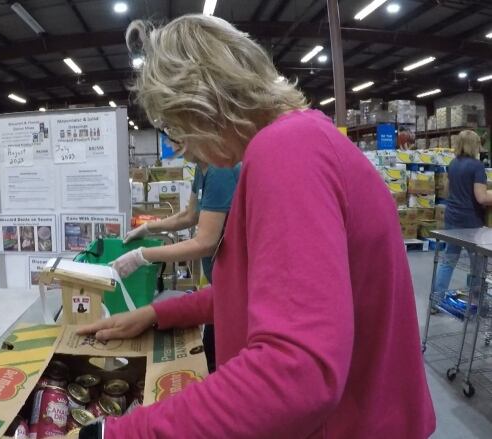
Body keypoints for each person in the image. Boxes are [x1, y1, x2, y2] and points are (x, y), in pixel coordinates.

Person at [73, 15, 435, 439]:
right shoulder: (301, 141)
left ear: (203, 100)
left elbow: (296, 374)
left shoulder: (286, 151)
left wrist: (113, 435)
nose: (180, 149)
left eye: (175, 126)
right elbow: (259, 290)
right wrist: (157, 313)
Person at [113, 156, 241, 371]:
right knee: (210, 357)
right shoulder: (203, 169)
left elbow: (205, 242)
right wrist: (147, 229)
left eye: (176, 136)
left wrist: (142, 255)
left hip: (233, 289)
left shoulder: (220, 169)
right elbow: (190, 215)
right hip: (219, 288)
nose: (173, 148)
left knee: (220, 365)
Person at [434, 130, 492, 293]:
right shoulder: (477, 166)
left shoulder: (453, 164)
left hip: (452, 217)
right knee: (477, 262)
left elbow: (446, 191)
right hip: (470, 221)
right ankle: (475, 297)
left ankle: (437, 297)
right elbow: (481, 198)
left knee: (449, 259)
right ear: (474, 145)